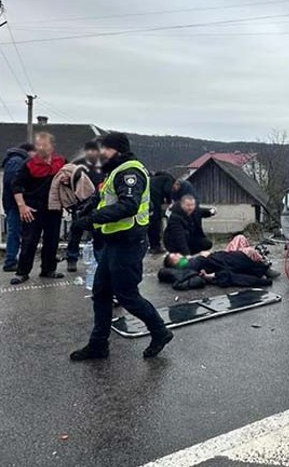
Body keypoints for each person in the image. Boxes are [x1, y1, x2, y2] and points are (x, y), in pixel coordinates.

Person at [69, 132, 173, 360]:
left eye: (105, 149)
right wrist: (87, 208)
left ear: (117, 149)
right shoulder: (114, 171)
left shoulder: (129, 172)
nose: (101, 154)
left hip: (129, 242)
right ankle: (98, 345)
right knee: (101, 292)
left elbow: (128, 205)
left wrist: (91, 220)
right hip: (114, 241)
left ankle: (160, 332)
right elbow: (104, 197)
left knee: (127, 296)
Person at [10, 133, 66, 285]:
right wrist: (22, 206)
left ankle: (48, 269)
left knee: (52, 240)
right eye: (38, 145)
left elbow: (71, 178)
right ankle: (22, 272)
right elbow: (16, 185)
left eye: (44, 145)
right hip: (33, 208)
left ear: (52, 146)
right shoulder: (28, 164)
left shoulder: (61, 162)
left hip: (54, 208)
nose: (41, 148)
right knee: (29, 241)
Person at [65, 141, 105, 272]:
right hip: (80, 204)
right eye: (90, 150)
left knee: (98, 234)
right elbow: (68, 183)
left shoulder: (104, 166)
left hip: (98, 205)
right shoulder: (78, 165)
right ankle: (72, 258)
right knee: (76, 232)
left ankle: (99, 260)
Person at [1, 143, 35, 272]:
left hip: (14, 203)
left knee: (18, 232)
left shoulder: (15, 160)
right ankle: (10, 261)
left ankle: (14, 259)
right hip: (15, 204)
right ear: (29, 151)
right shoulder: (17, 161)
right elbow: (14, 183)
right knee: (15, 232)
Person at [147, 171, 176, 253]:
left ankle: (152, 245)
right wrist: (170, 201)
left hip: (147, 202)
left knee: (151, 224)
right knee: (156, 224)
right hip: (155, 202)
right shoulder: (169, 179)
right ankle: (156, 247)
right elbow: (167, 190)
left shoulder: (152, 179)